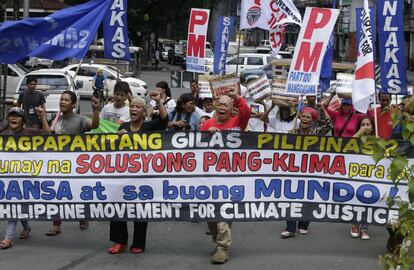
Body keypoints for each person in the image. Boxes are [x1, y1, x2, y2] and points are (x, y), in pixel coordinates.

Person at [108, 90, 168, 254]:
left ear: (143, 112)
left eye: (137, 107)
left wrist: (159, 102)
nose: (133, 109)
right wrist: (118, 137)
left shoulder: (149, 127)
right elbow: (113, 149)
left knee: (140, 209)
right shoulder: (124, 127)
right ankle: (119, 241)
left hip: (142, 176)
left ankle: (138, 243)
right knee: (119, 207)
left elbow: (164, 121)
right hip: (123, 175)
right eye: (132, 106)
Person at [200, 85, 250, 264]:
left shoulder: (238, 123)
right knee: (209, 214)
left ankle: (223, 248)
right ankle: (218, 241)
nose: (222, 107)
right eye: (219, 104)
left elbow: (246, 111)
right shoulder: (207, 124)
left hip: (230, 176)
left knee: (223, 212)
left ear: (231, 109)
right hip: (209, 176)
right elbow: (195, 148)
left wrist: (237, 97)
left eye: (225, 105)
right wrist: (207, 134)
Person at [46, 91, 100, 236]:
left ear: (73, 104)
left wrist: (95, 110)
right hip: (58, 164)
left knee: (77, 193)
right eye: (61, 100)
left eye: (66, 100)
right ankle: (56, 224)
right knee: (57, 193)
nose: (62, 102)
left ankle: (82, 217)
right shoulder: (57, 120)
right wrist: (42, 119)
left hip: (76, 165)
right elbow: (49, 137)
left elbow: (94, 125)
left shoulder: (80, 120)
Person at [0, 107, 50, 250]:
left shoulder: (29, 132)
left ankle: (8, 238)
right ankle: (26, 227)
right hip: (7, 177)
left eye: (17, 116)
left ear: (23, 121)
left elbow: (47, 135)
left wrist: (43, 118)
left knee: (14, 203)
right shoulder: (3, 135)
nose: (14, 119)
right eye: (11, 116)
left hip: (25, 176)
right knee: (17, 203)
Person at [280, 106, 332, 238]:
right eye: (303, 116)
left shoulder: (316, 133)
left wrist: (323, 109)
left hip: (310, 170)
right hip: (293, 170)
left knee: (307, 197)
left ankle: (303, 224)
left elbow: (329, 125)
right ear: (299, 117)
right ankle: (290, 228)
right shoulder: (292, 132)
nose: (305, 119)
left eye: (308, 117)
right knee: (290, 197)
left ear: (312, 120)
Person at [350, 116, 375, 240]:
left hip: (371, 174)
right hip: (356, 173)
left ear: (373, 126)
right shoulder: (356, 138)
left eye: (368, 124)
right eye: (363, 124)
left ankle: (364, 228)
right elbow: (347, 146)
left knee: (367, 201)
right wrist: (359, 133)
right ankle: (355, 225)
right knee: (355, 199)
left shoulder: (378, 139)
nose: (366, 126)